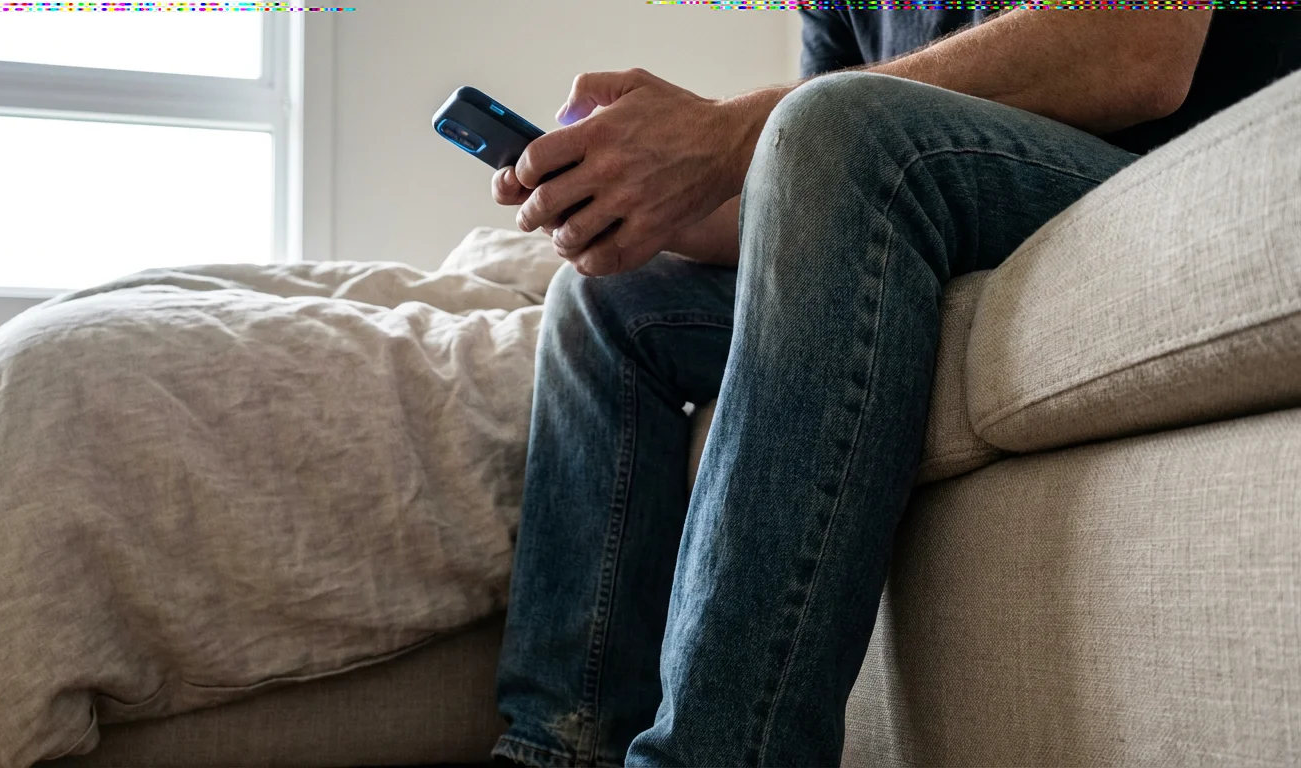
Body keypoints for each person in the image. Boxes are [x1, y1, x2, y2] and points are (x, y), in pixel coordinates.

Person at [486, 5, 1301, 768]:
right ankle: (559, 747)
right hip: (928, 216)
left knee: (834, 123)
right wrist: (646, 197)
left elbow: (1137, 49)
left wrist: (725, 134)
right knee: (609, 299)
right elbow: (800, 184)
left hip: (1162, 184)